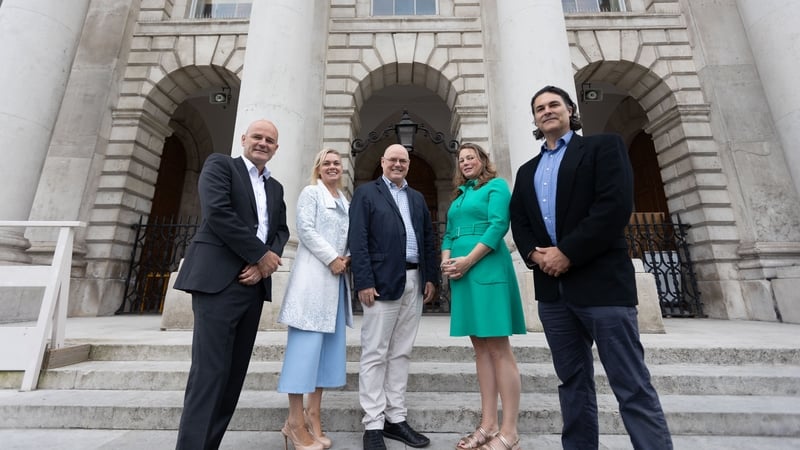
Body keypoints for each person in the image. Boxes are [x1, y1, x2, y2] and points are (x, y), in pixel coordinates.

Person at [509, 85, 673, 450]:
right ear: (534, 119)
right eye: (540, 108)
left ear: (570, 110)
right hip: (553, 294)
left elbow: (614, 207)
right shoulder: (526, 170)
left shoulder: (603, 147)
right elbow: (519, 221)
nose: (547, 111)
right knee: (572, 384)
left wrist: (567, 252)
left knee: (630, 382)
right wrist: (537, 256)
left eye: (554, 104)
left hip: (602, 286)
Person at [173, 119, 290, 450]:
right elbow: (218, 213)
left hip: (253, 287)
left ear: (276, 148)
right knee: (209, 374)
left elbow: (281, 231)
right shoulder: (220, 165)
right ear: (244, 139)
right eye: (257, 137)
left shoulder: (275, 187)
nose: (263, 143)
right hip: (219, 283)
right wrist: (258, 256)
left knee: (232, 378)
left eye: (270, 140)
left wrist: (265, 265)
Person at [348, 144, 439, 450]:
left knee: (401, 352)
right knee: (375, 352)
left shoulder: (416, 197)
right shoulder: (366, 193)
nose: (398, 164)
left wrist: (430, 277)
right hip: (381, 282)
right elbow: (357, 239)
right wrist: (363, 280)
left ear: (408, 165)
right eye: (393, 160)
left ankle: (395, 419)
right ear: (383, 162)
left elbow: (428, 238)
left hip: (414, 280)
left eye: (403, 160)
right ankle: (373, 424)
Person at [441, 143, 526, 450]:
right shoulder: (460, 196)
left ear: (482, 161)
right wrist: (447, 259)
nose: (465, 162)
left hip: (486, 266)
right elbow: (449, 232)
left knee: (498, 347)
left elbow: (498, 226)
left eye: (471, 157)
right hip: (461, 273)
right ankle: (488, 424)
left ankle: (509, 430)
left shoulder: (496, 186)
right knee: (479, 348)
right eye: (461, 159)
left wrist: (467, 260)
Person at [276, 148, 353, 450]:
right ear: (318, 169)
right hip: (312, 282)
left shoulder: (344, 200)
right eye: (327, 163)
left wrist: (345, 257)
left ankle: (313, 415)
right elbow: (305, 230)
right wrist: (333, 257)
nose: (332, 167)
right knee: (303, 355)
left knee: (323, 358)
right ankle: (295, 423)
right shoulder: (311, 193)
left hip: (334, 286)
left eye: (337, 163)